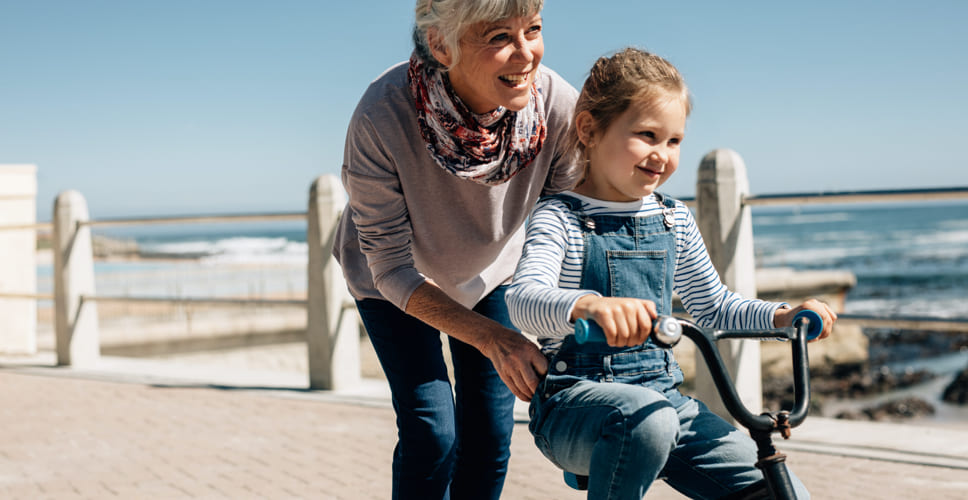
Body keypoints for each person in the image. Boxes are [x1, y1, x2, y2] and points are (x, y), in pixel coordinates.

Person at [505, 47, 838, 499]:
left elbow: (714, 306)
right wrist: (588, 306)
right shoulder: (559, 216)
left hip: (666, 401)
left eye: (674, 141)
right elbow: (524, 301)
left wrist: (782, 317)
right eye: (646, 135)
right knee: (646, 422)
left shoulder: (673, 219)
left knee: (783, 492)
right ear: (589, 129)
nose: (661, 155)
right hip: (574, 403)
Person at [332, 0, 580, 498]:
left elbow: (565, 229)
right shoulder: (382, 114)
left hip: (493, 273)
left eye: (532, 29)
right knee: (432, 431)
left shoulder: (556, 106)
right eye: (498, 37)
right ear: (442, 45)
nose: (526, 53)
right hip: (395, 282)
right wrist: (492, 339)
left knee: (490, 433)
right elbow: (392, 268)